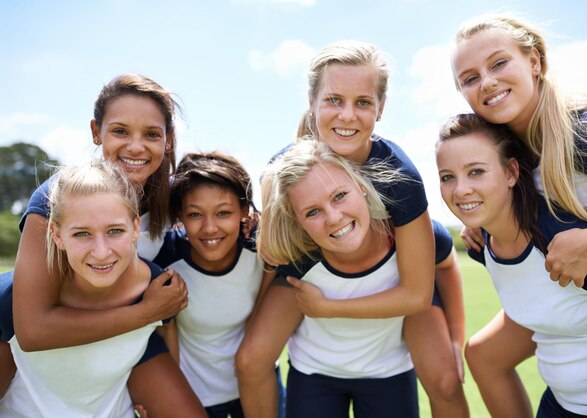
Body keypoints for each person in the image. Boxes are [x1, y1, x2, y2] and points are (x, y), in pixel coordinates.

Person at [237, 40, 469, 418]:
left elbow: (421, 286)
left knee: (444, 379)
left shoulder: (399, 179)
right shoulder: (284, 172)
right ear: (312, 104)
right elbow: (274, 254)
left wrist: (329, 308)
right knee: (251, 359)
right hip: (316, 276)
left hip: (395, 283)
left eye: (362, 102)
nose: (347, 115)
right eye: (333, 100)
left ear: (380, 108)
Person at [451, 14, 587, 417]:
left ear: (534, 61)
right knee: (483, 354)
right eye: (470, 78)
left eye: (498, 64)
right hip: (581, 326)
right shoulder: (513, 148)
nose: (487, 82)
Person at [7, 74, 205, 417]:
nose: (136, 147)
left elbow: (213, 220)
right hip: (69, 325)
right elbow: (33, 328)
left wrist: (248, 224)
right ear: (96, 132)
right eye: (120, 131)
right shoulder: (58, 199)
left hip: (129, 335)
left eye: (152, 134)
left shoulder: (168, 199)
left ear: (168, 140)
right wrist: (147, 312)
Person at [0, 160, 180, 417]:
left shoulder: (159, 288)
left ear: (135, 228)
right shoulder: (13, 301)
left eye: (115, 230)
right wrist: (145, 312)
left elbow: (165, 338)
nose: (101, 252)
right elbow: (32, 336)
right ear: (57, 235)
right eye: (82, 234)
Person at [260, 139, 420, 418]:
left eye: (339, 196)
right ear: (297, 221)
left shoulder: (407, 240)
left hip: (388, 371)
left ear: (360, 183)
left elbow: (442, 266)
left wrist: (454, 336)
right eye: (312, 212)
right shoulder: (297, 261)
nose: (334, 218)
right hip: (314, 373)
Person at [151, 151, 285, 418]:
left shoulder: (262, 251)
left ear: (244, 211)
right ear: (180, 215)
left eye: (223, 213)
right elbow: (167, 338)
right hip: (195, 398)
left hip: (257, 389)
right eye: (195, 214)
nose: (210, 228)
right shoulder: (166, 262)